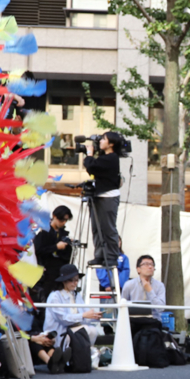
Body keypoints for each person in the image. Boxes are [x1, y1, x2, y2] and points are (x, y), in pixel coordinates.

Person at [83, 131, 125, 268]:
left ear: (111, 144)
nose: (100, 141)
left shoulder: (112, 157)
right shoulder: (105, 157)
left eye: (104, 139)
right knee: (97, 228)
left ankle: (112, 255)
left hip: (108, 196)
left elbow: (91, 165)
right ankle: (100, 255)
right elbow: (92, 169)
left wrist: (89, 153)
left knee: (108, 228)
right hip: (98, 195)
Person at [43, 264, 102, 349]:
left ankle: (86, 355)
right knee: (85, 329)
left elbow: (85, 314)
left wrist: (94, 316)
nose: (75, 283)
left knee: (93, 330)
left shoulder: (76, 294)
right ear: (64, 281)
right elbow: (63, 319)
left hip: (75, 328)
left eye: (77, 280)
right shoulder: (54, 296)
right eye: (72, 280)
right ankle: (81, 356)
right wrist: (84, 315)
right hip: (59, 331)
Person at [32, 205, 73, 301]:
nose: (63, 223)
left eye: (66, 220)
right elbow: (37, 250)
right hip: (44, 273)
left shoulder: (63, 232)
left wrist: (67, 244)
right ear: (54, 216)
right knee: (43, 299)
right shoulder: (43, 231)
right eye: (61, 220)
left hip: (58, 272)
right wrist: (56, 247)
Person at [121, 255, 166, 321]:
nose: (150, 267)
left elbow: (161, 308)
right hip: (134, 320)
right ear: (138, 269)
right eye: (146, 264)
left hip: (153, 321)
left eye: (152, 265)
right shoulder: (129, 284)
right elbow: (123, 306)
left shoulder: (160, 285)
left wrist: (149, 290)